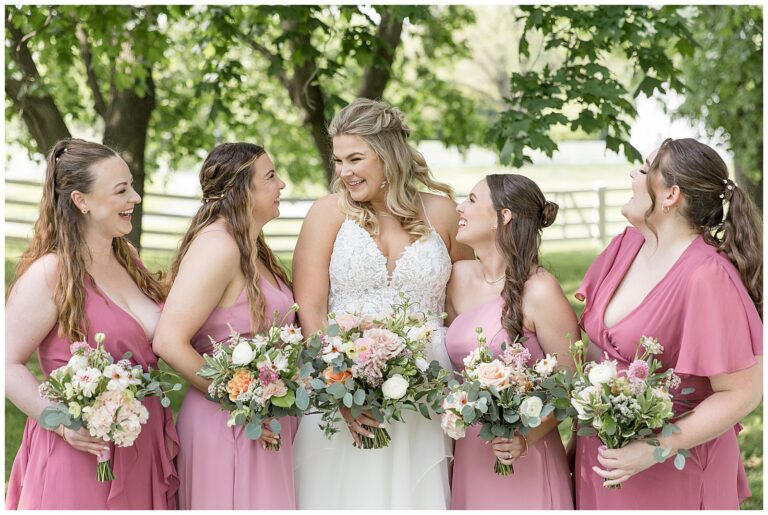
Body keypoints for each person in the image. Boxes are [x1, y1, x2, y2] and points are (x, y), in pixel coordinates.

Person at [291, 98, 473, 509]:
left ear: (388, 153)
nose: (344, 172)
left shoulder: (443, 213)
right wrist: (338, 390)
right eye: (338, 161)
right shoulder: (327, 213)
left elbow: (466, 310)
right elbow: (311, 311)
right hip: (342, 385)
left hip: (428, 391)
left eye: (355, 158)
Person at [572, 138, 763, 509]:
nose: (633, 174)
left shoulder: (706, 276)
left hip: (673, 469)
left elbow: (742, 393)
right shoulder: (626, 245)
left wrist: (653, 449)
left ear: (671, 194)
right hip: (603, 457)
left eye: (644, 169)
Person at [5, 139, 179, 509]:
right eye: (121, 190)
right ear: (81, 201)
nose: (136, 197)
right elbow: (6, 364)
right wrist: (62, 423)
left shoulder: (127, 256)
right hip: (82, 456)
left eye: (132, 185)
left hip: (141, 447)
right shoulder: (52, 272)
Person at [152, 142, 296, 509]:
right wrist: (242, 401)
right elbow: (169, 342)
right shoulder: (219, 246)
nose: (282, 185)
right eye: (270, 176)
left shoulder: (253, 247)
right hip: (228, 423)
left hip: (262, 420)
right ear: (241, 190)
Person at [445, 174, 576, 509]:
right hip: (469, 452)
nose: (460, 207)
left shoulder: (540, 290)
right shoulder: (454, 276)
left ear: (503, 216)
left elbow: (570, 386)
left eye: (472, 200)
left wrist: (523, 438)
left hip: (525, 453)